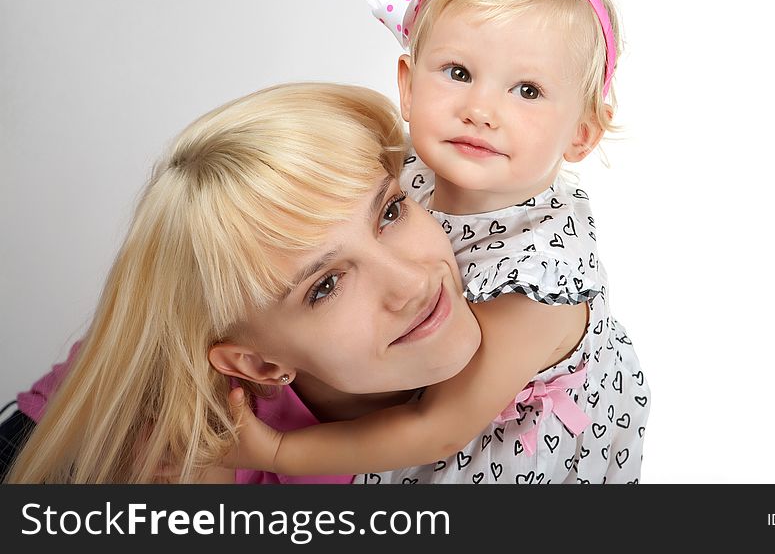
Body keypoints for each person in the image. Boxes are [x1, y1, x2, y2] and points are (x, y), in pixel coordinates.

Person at [226, 0, 650, 484]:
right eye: (458, 73)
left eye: (526, 91)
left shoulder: (541, 284)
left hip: (503, 442)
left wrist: (277, 453)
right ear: (407, 87)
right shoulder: (403, 176)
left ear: (581, 134)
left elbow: (438, 426)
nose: (480, 108)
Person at [3, 82, 482, 483]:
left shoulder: (523, 260)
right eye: (325, 286)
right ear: (259, 365)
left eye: (390, 212)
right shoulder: (198, 457)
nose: (413, 282)